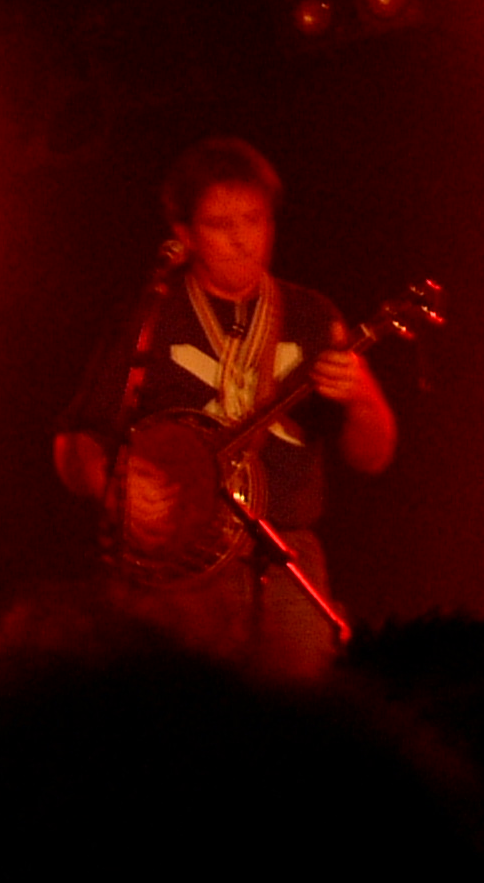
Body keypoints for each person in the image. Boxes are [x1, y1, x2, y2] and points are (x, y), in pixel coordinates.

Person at [54, 138, 395, 678]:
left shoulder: (312, 315)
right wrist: (113, 484)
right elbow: (74, 441)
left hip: (285, 557)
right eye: (220, 224)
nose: (242, 240)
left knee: (302, 711)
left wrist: (362, 398)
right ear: (184, 235)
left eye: (254, 220)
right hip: (176, 572)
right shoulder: (150, 316)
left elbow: (373, 457)